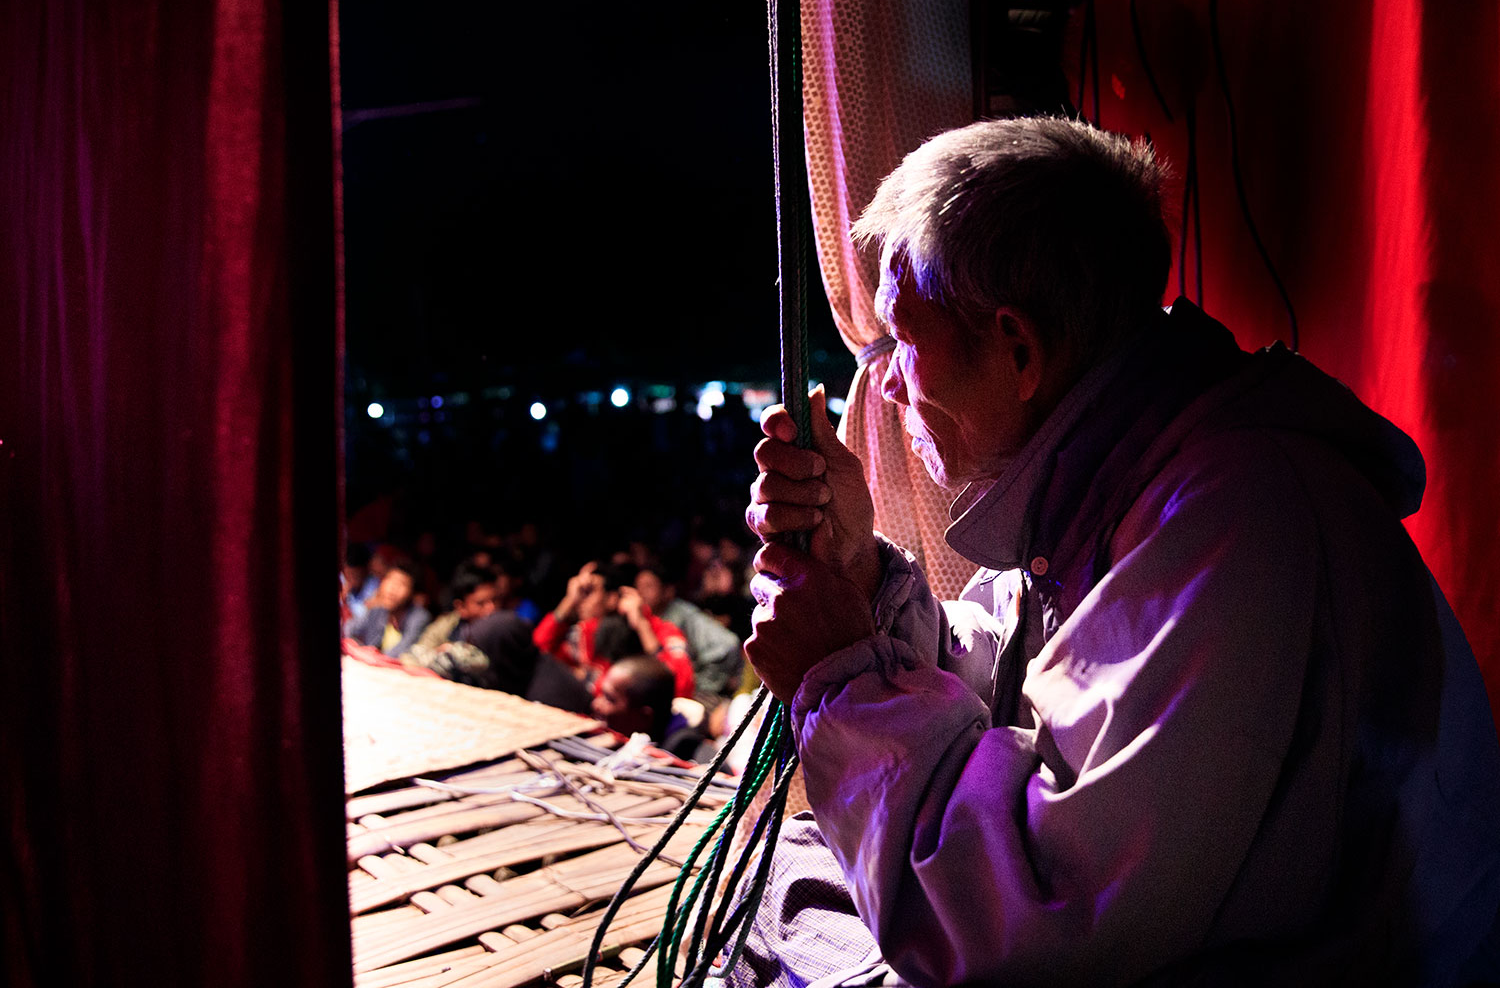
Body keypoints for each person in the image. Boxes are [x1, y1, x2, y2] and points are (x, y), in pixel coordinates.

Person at [737, 117, 1500, 986]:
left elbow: (1032, 921)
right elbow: (1011, 684)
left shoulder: (1233, 516)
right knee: (788, 869)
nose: (887, 383)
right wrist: (860, 577)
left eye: (903, 341)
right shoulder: (1119, 471)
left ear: (1017, 349)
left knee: (790, 908)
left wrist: (844, 679)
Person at [532, 560, 695, 698]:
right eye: (580, 592)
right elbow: (537, 655)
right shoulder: (586, 631)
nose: (580, 600)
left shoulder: (665, 631)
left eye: (588, 592)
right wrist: (568, 600)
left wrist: (642, 626)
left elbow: (681, 687)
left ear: (612, 598)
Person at [400, 561, 537, 694]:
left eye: (495, 600)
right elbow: (413, 656)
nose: (491, 608)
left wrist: (451, 651)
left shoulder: (506, 628)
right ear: (461, 607)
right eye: (481, 603)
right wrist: (441, 653)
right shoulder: (449, 623)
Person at [635, 560, 744, 701]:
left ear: (668, 591)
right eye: (638, 587)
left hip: (699, 693)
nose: (641, 593)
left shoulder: (683, 615)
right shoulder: (644, 617)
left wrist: (702, 684)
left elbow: (727, 644)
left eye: (648, 586)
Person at [342, 560, 432, 660]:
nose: (392, 589)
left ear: (412, 593)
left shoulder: (419, 617)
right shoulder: (378, 610)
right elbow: (349, 630)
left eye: (401, 584)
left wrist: (368, 655)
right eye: (390, 580)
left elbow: (400, 651)